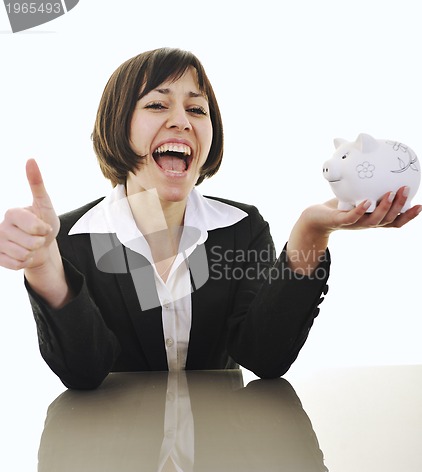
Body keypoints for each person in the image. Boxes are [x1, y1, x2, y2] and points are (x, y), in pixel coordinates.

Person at [0, 48, 420, 390]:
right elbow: (83, 374)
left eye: (197, 110)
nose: (181, 121)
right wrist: (44, 266)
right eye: (158, 104)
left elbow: (265, 358)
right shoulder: (69, 240)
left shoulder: (242, 228)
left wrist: (311, 231)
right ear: (118, 127)